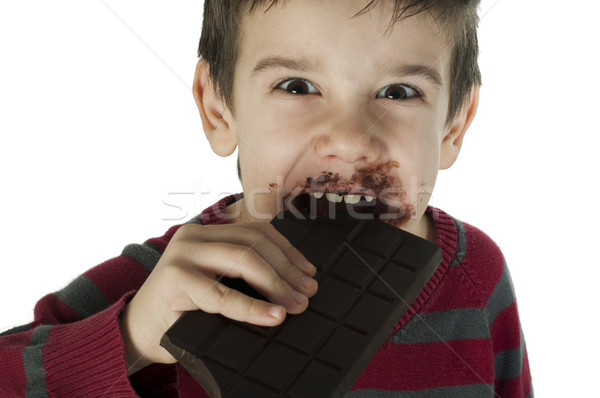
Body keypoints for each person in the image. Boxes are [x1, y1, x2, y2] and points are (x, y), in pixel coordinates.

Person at [0, 0, 533, 396]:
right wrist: (136, 334)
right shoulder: (163, 286)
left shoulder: (476, 276)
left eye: (399, 92)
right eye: (297, 86)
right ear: (218, 109)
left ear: (454, 125)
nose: (349, 140)